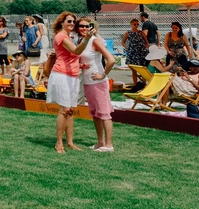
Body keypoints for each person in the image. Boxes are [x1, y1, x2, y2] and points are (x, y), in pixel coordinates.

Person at [44, 12, 96, 154]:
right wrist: (88, 38)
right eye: (69, 21)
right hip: (62, 75)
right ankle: (59, 143)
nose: (72, 24)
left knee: (71, 110)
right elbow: (76, 50)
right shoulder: (61, 37)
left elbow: (71, 56)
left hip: (72, 76)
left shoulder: (68, 37)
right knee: (65, 110)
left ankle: (70, 142)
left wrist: (79, 65)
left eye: (73, 22)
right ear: (62, 22)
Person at [77, 17, 115, 151]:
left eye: (87, 26)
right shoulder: (82, 41)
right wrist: (81, 65)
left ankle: (109, 144)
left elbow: (111, 59)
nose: (83, 28)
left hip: (98, 82)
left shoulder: (94, 41)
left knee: (104, 113)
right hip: (87, 82)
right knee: (95, 113)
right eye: (80, 26)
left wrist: (103, 74)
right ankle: (100, 141)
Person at [121, 18, 149, 85]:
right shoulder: (128, 33)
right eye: (135, 24)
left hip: (141, 52)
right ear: (131, 24)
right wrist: (127, 48)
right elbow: (122, 42)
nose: (136, 25)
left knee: (142, 69)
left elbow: (147, 42)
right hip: (132, 52)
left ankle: (143, 84)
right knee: (133, 70)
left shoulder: (141, 32)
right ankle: (135, 84)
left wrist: (145, 48)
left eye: (137, 24)